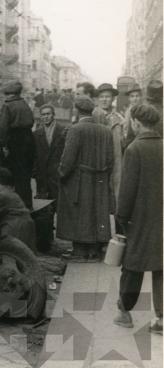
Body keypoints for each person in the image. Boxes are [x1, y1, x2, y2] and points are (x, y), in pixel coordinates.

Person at [114, 104, 163, 334]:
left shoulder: (134, 149)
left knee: (132, 266)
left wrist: (122, 218)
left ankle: (124, 313)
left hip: (139, 220)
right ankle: (162, 319)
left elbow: (127, 191)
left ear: (136, 122)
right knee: (161, 267)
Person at [57, 96, 113, 263]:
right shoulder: (106, 130)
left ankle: (80, 251)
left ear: (76, 110)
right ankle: (94, 251)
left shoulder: (76, 129)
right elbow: (111, 160)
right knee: (97, 212)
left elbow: (68, 160)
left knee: (79, 212)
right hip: (100, 178)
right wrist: (103, 175)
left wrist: (61, 174)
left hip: (80, 179)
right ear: (92, 111)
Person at [0, 80, 35, 209]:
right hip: (29, 139)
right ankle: (28, 203)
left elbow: (3, 127)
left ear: (8, 94)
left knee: (17, 173)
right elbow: (32, 120)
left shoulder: (8, 106)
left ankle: (20, 205)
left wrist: (3, 144)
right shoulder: (24, 103)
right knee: (25, 173)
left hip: (16, 139)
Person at [92, 83, 124, 209]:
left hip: (116, 160)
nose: (104, 99)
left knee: (117, 187)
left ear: (113, 99)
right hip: (97, 159)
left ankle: (118, 222)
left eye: (107, 97)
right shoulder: (93, 116)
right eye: (101, 97)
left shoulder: (118, 118)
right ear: (98, 99)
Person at [32, 104, 65, 210]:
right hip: (42, 177)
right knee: (44, 209)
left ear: (53, 115)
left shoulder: (63, 131)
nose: (46, 117)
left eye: (48, 114)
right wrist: (36, 172)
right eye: (43, 114)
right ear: (40, 117)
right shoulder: (37, 134)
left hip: (57, 176)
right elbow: (35, 155)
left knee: (60, 207)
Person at [123, 83, 142, 148]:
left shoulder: (144, 110)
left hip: (140, 143)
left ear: (140, 97)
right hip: (129, 143)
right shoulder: (127, 112)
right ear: (129, 98)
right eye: (132, 96)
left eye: (137, 96)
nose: (135, 99)